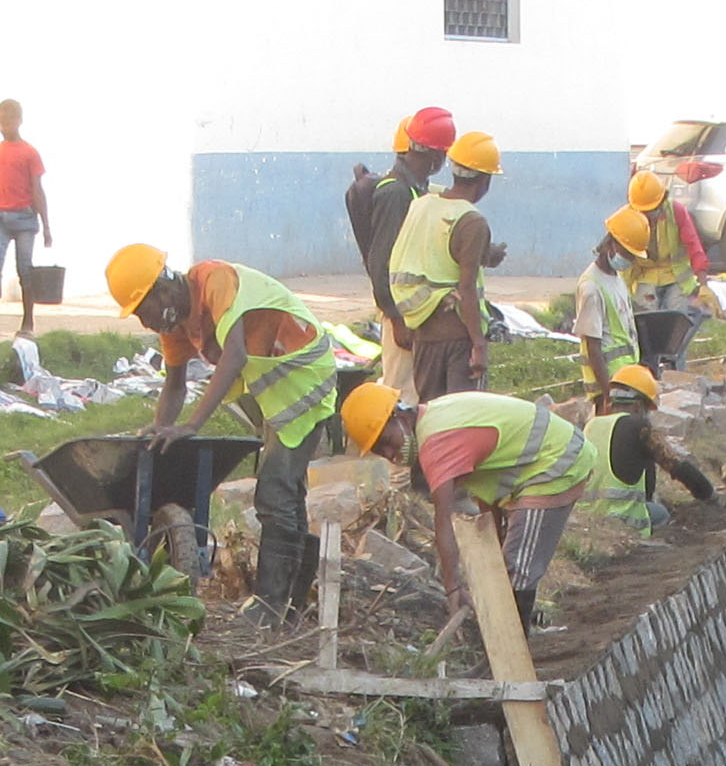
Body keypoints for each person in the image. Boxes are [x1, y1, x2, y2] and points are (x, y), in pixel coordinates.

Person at [112, 242, 346, 617]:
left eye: (144, 309)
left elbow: (234, 355)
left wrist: (190, 426)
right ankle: (293, 603)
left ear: (164, 286)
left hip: (303, 378)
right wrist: (160, 431)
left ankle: (271, 606)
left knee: (275, 491)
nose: (146, 322)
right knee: (286, 489)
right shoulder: (175, 324)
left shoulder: (214, 280)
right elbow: (175, 384)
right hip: (273, 388)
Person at [342, 377, 609, 629]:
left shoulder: (437, 442)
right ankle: (508, 636)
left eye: (388, 442)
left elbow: (443, 522)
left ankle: (514, 655)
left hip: (558, 462)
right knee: (509, 565)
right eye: (381, 451)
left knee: (518, 570)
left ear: (399, 416)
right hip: (544, 460)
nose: (392, 454)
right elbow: (486, 477)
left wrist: (453, 588)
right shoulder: (434, 415)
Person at [387, 131, 503, 403]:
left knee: (431, 418)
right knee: (460, 423)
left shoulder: (421, 205)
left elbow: (431, 256)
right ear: (484, 180)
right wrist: (478, 344)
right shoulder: (472, 221)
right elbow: (467, 288)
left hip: (424, 334)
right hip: (457, 339)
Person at [349, 107, 457, 363]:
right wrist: (396, 319)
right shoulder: (396, 194)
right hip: (402, 317)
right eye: (443, 152)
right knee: (400, 394)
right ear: (433, 154)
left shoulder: (414, 190)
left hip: (414, 313)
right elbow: (381, 260)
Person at [586, 362, 717, 538]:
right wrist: (709, 494)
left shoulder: (591, 425)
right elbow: (676, 465)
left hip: (591, 519)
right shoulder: (639, 426)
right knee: (660, 513)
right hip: (623, 517)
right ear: (639, 406)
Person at [0, 101, 53, 337]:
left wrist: (47, 225)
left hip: (25, 218)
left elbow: (38, 191)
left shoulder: (30, 153)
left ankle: (28, 322)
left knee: (24, 268)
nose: (3, 127)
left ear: (19, 121)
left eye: (8, 122)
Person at [613, 202, 700, 378]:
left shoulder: (676, 213)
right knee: (647, 331)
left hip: (676, 276)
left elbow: (693, 245)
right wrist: (622, 292)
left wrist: (703, 280)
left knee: (676, 329)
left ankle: (676, 373)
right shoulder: (629, 219)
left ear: (661, 203)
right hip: (647, 276)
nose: (648, 215)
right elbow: (625, 256)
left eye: (651, 210)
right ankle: (648, 374)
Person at [571, 222, 640, 403]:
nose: (630, 260)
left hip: (625, 380)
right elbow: (593, 347)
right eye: (628, 254)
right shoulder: (591, 288)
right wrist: (608, 394)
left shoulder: (617, 278)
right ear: (611, 244)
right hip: (608, 387)